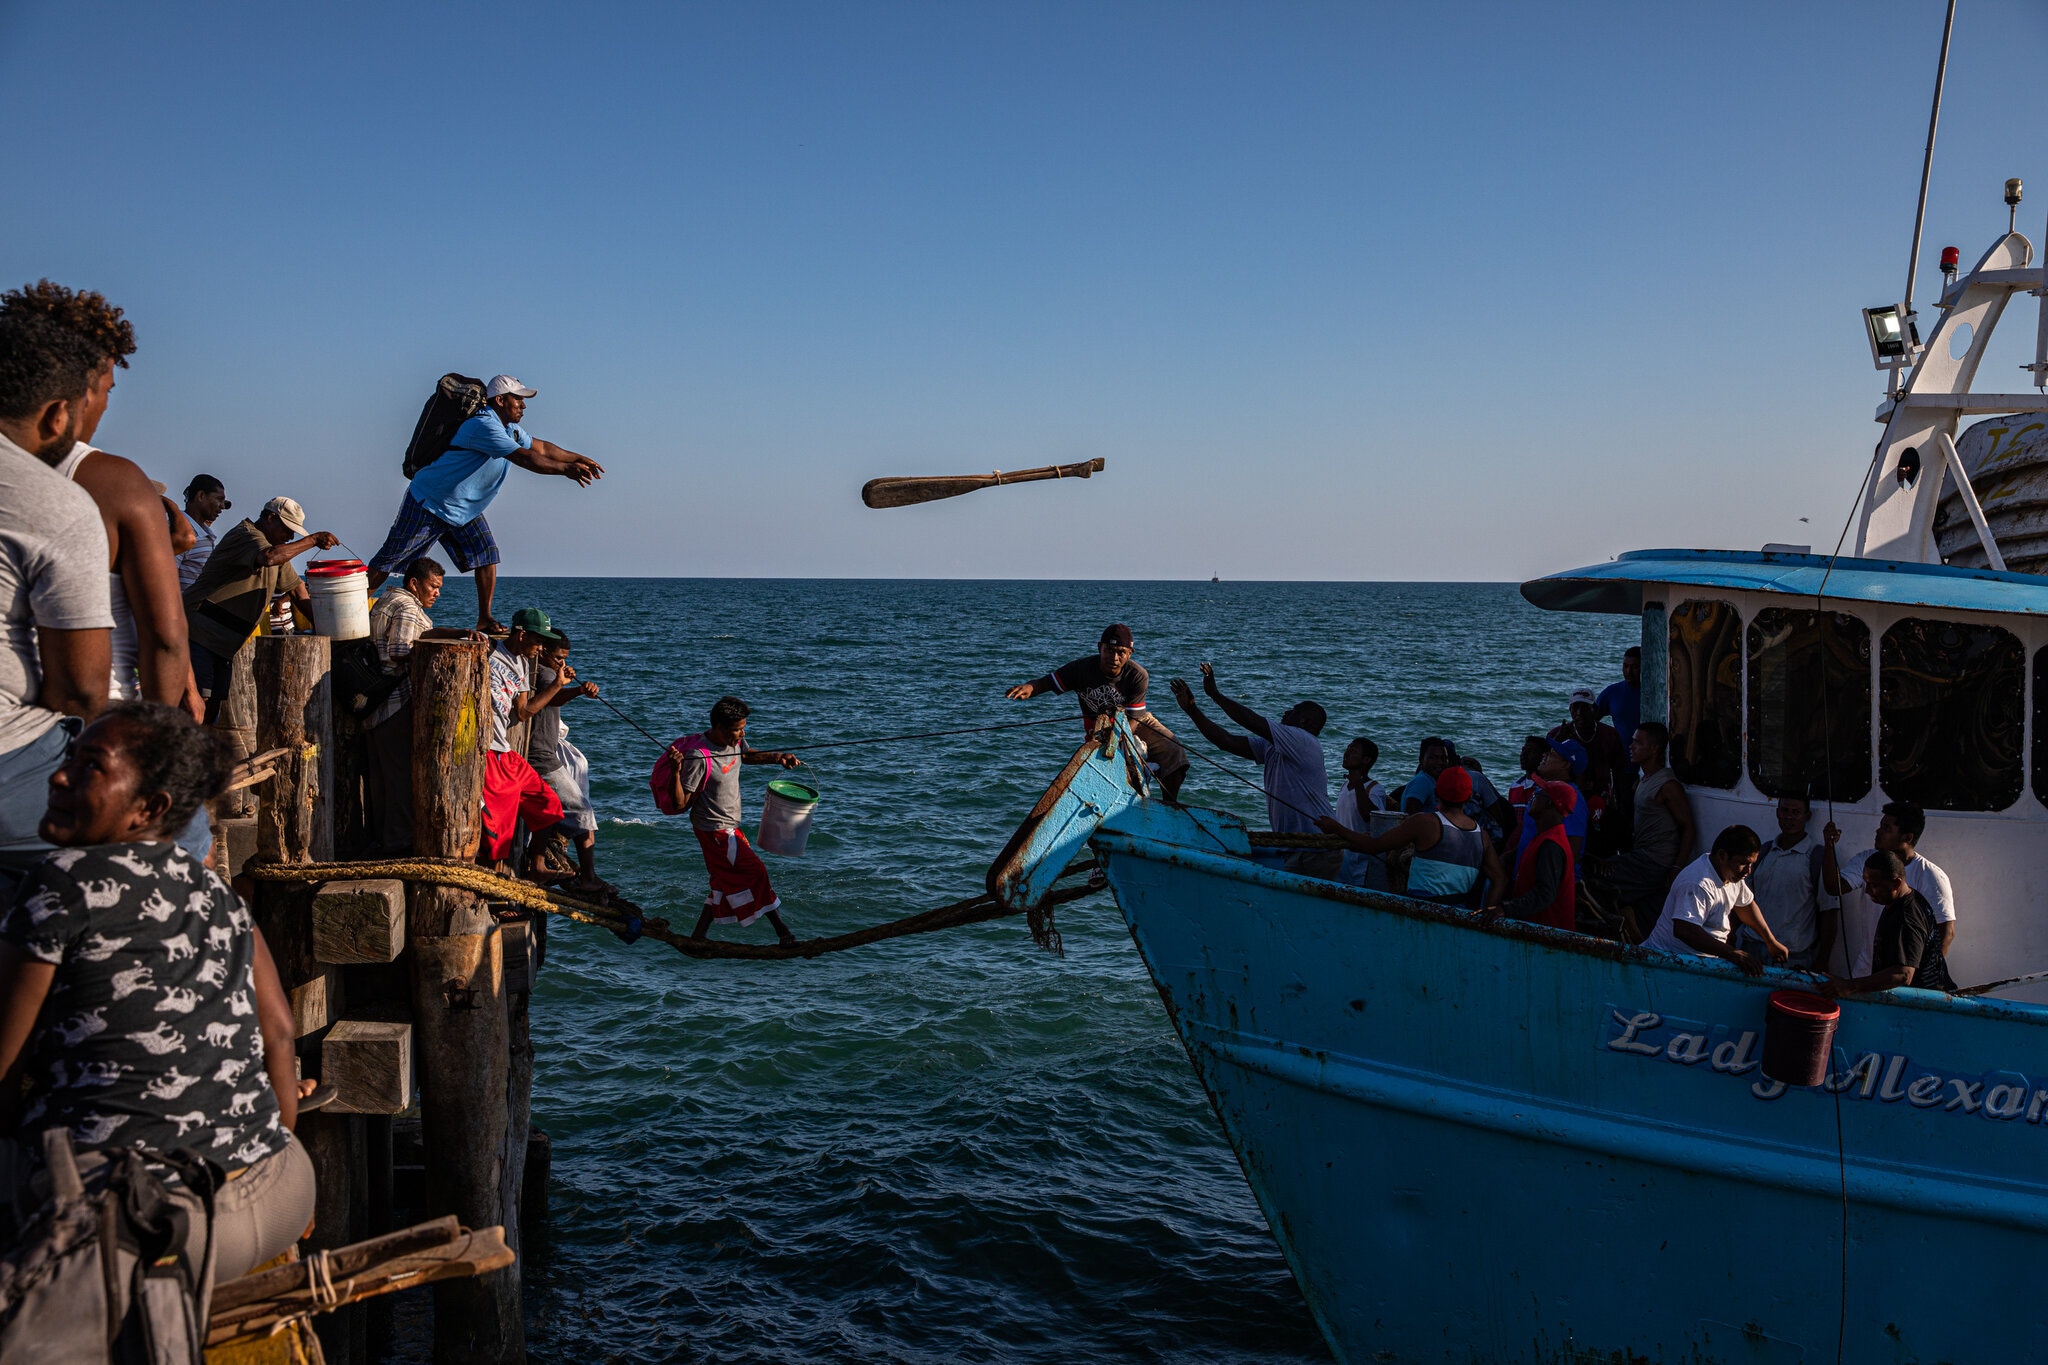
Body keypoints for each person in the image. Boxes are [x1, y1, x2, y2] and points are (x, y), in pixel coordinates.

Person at [0, 701, 314, 1282]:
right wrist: (267, 1146)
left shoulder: (62, 880)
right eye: (68, 757)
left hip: (143, 1221)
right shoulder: (216, 892)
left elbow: (4, 1062)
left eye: (90, 766)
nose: (58, 776)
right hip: (275, 1198)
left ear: (149, 808)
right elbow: (279, 1031)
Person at [0, 310, 113, 889]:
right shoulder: (52, 502)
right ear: (57, 413)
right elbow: (81, 692)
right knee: (184, 826)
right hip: (7, 757)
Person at [365, 376, 604, 635]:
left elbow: (542, 448)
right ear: (500, 400)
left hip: (463, 509)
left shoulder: (509, 430)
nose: (523, 406)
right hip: (430, 500)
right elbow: (524, 458)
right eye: (518, 399)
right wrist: (566, 470)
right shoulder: (483, 425)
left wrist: (578, 457)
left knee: (487, 554)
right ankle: (355, 610)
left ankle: (485, 619)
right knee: (391, 557)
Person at [362, 558, 482, 855]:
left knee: (383, 779)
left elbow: (414, 637)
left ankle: (383, 839)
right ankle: (399, 846)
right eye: (433, 586)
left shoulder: (388, 601)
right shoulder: (408, 608)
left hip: (376, 704)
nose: (437, 593)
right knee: (401, 779)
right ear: (414, 583)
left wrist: (453, 632)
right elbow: (400, 651)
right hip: (396, 701)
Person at [658, 696, 801, 944]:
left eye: (743, 728)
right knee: (757, 873)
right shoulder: (698, 757)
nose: (741, 734)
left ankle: (698, 935)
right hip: (716, 832)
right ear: (719, 728)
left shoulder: (734, 742)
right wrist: (677, 771)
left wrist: (778, 756)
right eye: (737, 729)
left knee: (722, 883)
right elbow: (681, 804)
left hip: (729, 828)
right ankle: (783, 932)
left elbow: (746, 756)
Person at [182, 497, 337, 723]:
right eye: (288, 530)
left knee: (211, 712)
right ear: (270, 519)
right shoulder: (247, 536)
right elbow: (269, 557)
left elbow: (299, 594)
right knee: (193, 710)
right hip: (197, 636)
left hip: (223, 646)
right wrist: (313, 539)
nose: (291, 537)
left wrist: (331, 631)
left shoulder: (277, 553)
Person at [1004, 624, 1189, 801]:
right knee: (1110, 769)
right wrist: (1029, 688)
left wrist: (1118, 738)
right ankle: (1141, 771)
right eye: (1109, 650)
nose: (1114, 657)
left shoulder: (1137, 675)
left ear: (1129, 654)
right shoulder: (1081, 668)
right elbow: (1047, 683)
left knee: (1175, 751)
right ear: (1100, 647)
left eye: (1121, 652)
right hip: (1099, 728)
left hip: (1134, 722)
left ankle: (1169, 806)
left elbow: (1134, 718)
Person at [1167, 664, 1332, 834]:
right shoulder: (1274, 745)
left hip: (1318, 842)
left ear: (1304, 722)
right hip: (1293, 841)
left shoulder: (1304, 741)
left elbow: (1250, 720)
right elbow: (1226, 741)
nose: (1286, 711)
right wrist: (1191, 709)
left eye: (1293, 711)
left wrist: (1214, 694)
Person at [1316, 766, 1505, 909]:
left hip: (1420, 909)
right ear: (1469, 796)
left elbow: (1374, 846)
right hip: (1459, 911)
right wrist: (1487, 912)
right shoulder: (1482, 835)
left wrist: (1336, 828)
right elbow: (1499, 880)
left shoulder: (1425, 822)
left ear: (1437, 792)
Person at [482, 609, 574, 881]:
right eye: (537, 641)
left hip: (505, 752)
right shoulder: (487, 651)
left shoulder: (522, 664)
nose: (541, 648)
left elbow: (523, 712)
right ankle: (492, 886)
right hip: (487, 749)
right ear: (521, 635)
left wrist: (558, 685)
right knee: (496, 825)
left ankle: (537, 866)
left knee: (548, 805)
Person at [1818, 801, 1955, 979]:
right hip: (1865, 972)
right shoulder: (1868, 861)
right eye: (1880, 826)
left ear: (1908, 837)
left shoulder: (1931, 876)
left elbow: (1946, 932)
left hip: (1904, 980)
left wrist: (1921, 977)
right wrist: (1829, 848)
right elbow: (1834, 887)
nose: (1878, 832)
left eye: (1886, 828)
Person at [1641, 824, 1787, 976]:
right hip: (1667, 964)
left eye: (1751, 864)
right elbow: (1685, 930)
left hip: (1704, 964)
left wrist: (1770, 942)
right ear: (1722, 855)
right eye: (1743, 863)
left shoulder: (1731, 875)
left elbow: (1746, 905)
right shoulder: (1697, 883)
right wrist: (1732, 953)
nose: (1748, 871)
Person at [1596, 723, 1694, 933]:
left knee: (1596, 879)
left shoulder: (1667, 785)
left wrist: (1677, 868)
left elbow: (1688, 827)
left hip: (1654, 861)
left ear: (1654, 749)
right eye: (1632, 741)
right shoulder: (1643, 781)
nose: (1631, 746)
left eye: (1638, 742)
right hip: (1641, 855)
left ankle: (1622, 923)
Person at [1820, 850, 1958, 996]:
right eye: (1866, 883)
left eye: (1873, 885)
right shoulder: (1907, 899)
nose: (1867, 890)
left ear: (1896, 884)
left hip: (1923, 1003)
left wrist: (1850, 985)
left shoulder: (1907, 916)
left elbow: (1903, 974)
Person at [527, 631, 602, 890]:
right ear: (543, 650)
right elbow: (552, 698)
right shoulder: (545, 675)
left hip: (541, 752)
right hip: (541, 756)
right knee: (583, 811)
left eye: (565, 659)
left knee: (547, 810)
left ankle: (537, 864)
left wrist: (565, 680)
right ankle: (588, 879)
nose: (561, 663)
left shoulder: (539, 670)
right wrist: (577, 690)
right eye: (558, 657)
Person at [1739, 796, 1835, 970]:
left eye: (1795, 812)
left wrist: (1823, 960)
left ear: (1808, 816)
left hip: (1792, 957)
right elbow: (1741, 901)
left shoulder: (1817, 857)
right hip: (1752, 949)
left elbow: (1829, 913)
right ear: (1777, 813)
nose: (1789, 817)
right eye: (1784, 811)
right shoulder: (1764, 852)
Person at [1495, 780, 1577, 929]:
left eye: (1539, 794)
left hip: (1548, 936)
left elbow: (1544, 894)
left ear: (1549, 804)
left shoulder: (1551, 844)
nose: (1532, 796)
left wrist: (1505, 909)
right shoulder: (1544, 837)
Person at [1547, 687, 1628, 827]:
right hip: (1569, 799)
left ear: (1595, 709)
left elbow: (1619, 772)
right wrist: (1558, 739)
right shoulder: (1558, 734)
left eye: (1585, 708)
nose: (1579, 713)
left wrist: (1621, 805)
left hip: (1603, 799)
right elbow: (1546, 769)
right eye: (1575, 708)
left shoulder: (1609, 735)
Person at [1597, 648, 1643, 847]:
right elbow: (1592, 722)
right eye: (1625, 666)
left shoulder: (1656, 691)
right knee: (1623, 814)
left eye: (1634, 667)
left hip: (1651, 767)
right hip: (1622, 767)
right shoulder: (1612, 692)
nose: (1629, 671)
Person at [178, 475, 228, 590]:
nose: (222, 506)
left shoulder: (204, 534)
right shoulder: (180, 529)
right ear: (201, 496)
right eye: (219, 499)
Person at [1333, 738, 1390, 831]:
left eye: (1353, 751)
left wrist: (1358, 783)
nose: (1346, 753)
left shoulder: (1374, 788)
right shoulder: (1344, 786)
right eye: (1347, 749)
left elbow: (1370, 816)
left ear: (1366, 760)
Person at [1400, 738, 1450, 814]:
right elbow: (1410, 815)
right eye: (1433, 758)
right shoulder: (1422, 782)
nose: (1440, 762)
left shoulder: (1432, 781)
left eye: (1444, 758)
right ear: (1421, 759)